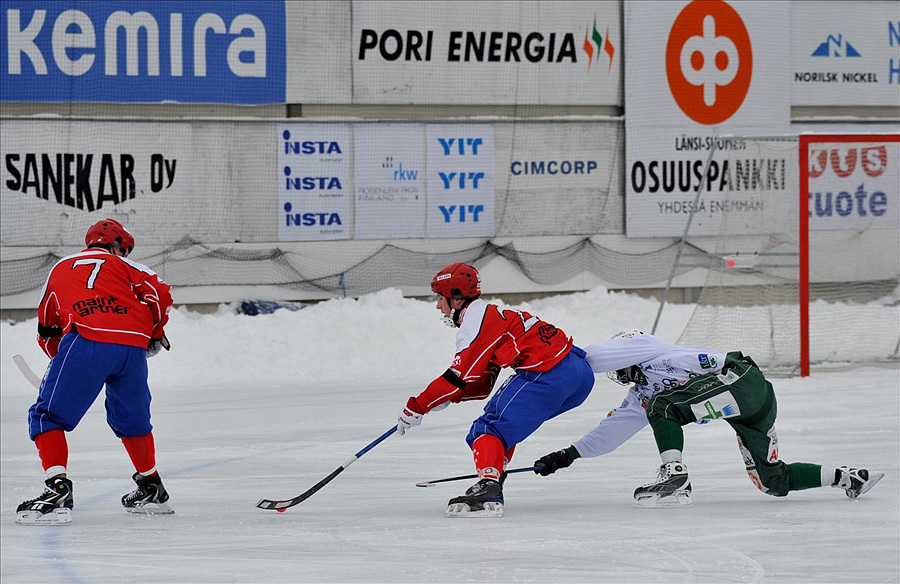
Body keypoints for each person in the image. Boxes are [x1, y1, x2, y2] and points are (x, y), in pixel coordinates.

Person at [533, 329, 884, 507]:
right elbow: (611, 431)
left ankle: (676, 478)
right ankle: (848, 478)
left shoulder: (659, 356)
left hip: (742, 379)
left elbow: (723, 366)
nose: (618, 373)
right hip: (755, 404)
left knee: (663, 406)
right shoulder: (641, 394)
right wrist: (568, 456)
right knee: (772, 482)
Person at [396, 262, 595, 517]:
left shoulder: (476, 322)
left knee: (487, 429)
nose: (437, 305)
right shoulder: (492, 314)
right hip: (578, 374)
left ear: (456, 298)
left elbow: (457, 376)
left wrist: (417, 406)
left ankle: (489, 485)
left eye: (440, 298)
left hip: (549, 373)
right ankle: (492, 474)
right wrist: (448, 398)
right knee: (504, 426)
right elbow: (481, 384)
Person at [16, 218, 175, 525]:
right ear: (117, 246)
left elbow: (47, 325)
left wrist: (61, 360)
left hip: (88, 339)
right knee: (132, 420)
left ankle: (57, 490)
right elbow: (161, 296)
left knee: (46, 416)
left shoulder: (61, 267)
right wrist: (153, 333)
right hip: (131, 349)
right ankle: (151, 486)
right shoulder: (134, 268)